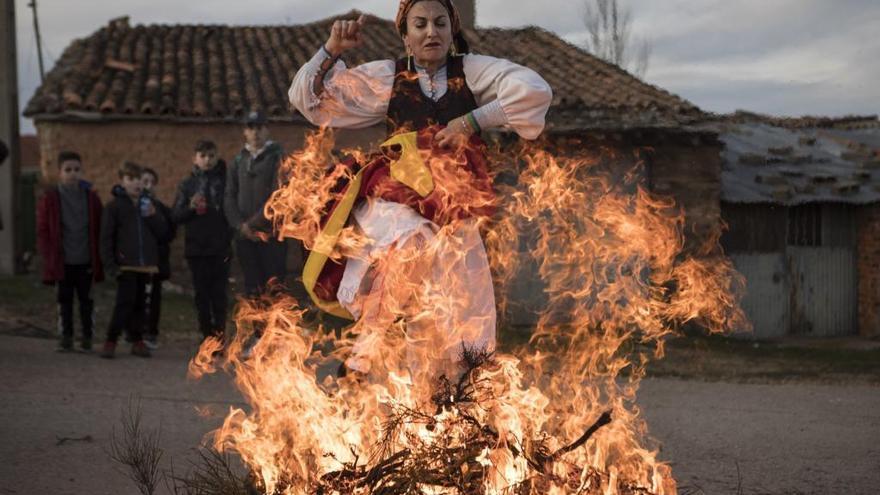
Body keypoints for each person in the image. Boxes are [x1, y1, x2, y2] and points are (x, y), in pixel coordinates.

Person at [288, 1, 552, 374]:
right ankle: (363, 354)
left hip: (453, 202)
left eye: (440, 23)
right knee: (408, 242)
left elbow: (534, 90)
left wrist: (472, 122)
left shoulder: (471, 71)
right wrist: (332, 50)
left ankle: (449, 401)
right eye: (421, 24)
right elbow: (312, 102)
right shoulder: (388, 77)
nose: (431, 32)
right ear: (406, 37)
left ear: (451, 30)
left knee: (455, 308)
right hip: (400, 192)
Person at [100, 161, 169, 359]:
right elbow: (106, 238)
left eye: (139, 179)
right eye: (131, 179)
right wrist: (111, 265)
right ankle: (111, 339)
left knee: (141, 305)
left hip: (146, 265)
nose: (136, 183)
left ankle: (137, 339)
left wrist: (153, 216)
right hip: (126, 265)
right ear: (122, 182)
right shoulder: (114, 207)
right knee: (124, 303)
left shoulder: (149, 206)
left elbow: (163, 233)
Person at [36, 151, 104, 352]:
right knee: (64, 302)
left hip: (85, 260)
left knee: (86, 302)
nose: (73, 174)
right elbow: (43, 230)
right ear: (60, 172)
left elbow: (99, 228)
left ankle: (87, 338)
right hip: (62, 261)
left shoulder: (91, 199)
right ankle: (65, 337)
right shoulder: (51, 199)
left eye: (76, 170)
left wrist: (98, 258)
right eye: (68, 170)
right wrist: (48, 255)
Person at [172, 140, 232, 341]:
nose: (207, 160)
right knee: (202, 296)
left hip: (220, 247)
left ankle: (220, 336)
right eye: (203, 156)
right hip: (196, 248)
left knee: (219, 295)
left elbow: (231, 212)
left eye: (211, 156)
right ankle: (207, 337)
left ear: (217, 157)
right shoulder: (187, 184)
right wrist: (190, 207)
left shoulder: (225, 182)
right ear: (195, 159)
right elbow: (176, 215)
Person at [224, 110, 288, 299]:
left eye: (259, 127)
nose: (255, 132)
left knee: (274, 288)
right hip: (245, 236)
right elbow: (229, 195)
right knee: (252, 287)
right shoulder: (238, 160)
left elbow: (278, 196)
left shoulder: (278, 157)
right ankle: (256, 329)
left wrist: (252, 225)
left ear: (267, 130)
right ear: (245, 131)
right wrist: (240, 226)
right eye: (251, 128)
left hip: (271, 235)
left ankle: (274, 329)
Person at [140, 167, 176, 349]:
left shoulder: (161, 208)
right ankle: (134, 332)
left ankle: (151, 333)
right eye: (144, 181)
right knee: (136, 297)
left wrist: (154, 216)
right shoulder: (130, 206)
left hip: (156, 262)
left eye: (152, 183)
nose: (148, 186)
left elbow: (167, 234)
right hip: (136, 262)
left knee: (153, 299)